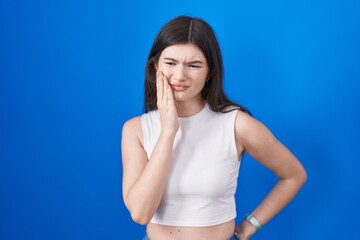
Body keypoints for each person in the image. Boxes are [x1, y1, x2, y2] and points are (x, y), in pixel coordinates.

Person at [121, 16, 307, 240]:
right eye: (170, 63)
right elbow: (141, 214)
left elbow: (294, 175)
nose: (180, 75)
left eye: (194, 65)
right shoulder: (136, 130)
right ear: (155, 67)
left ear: (210, 72)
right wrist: (168, 131)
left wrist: (251, 224)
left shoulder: (236, 125)